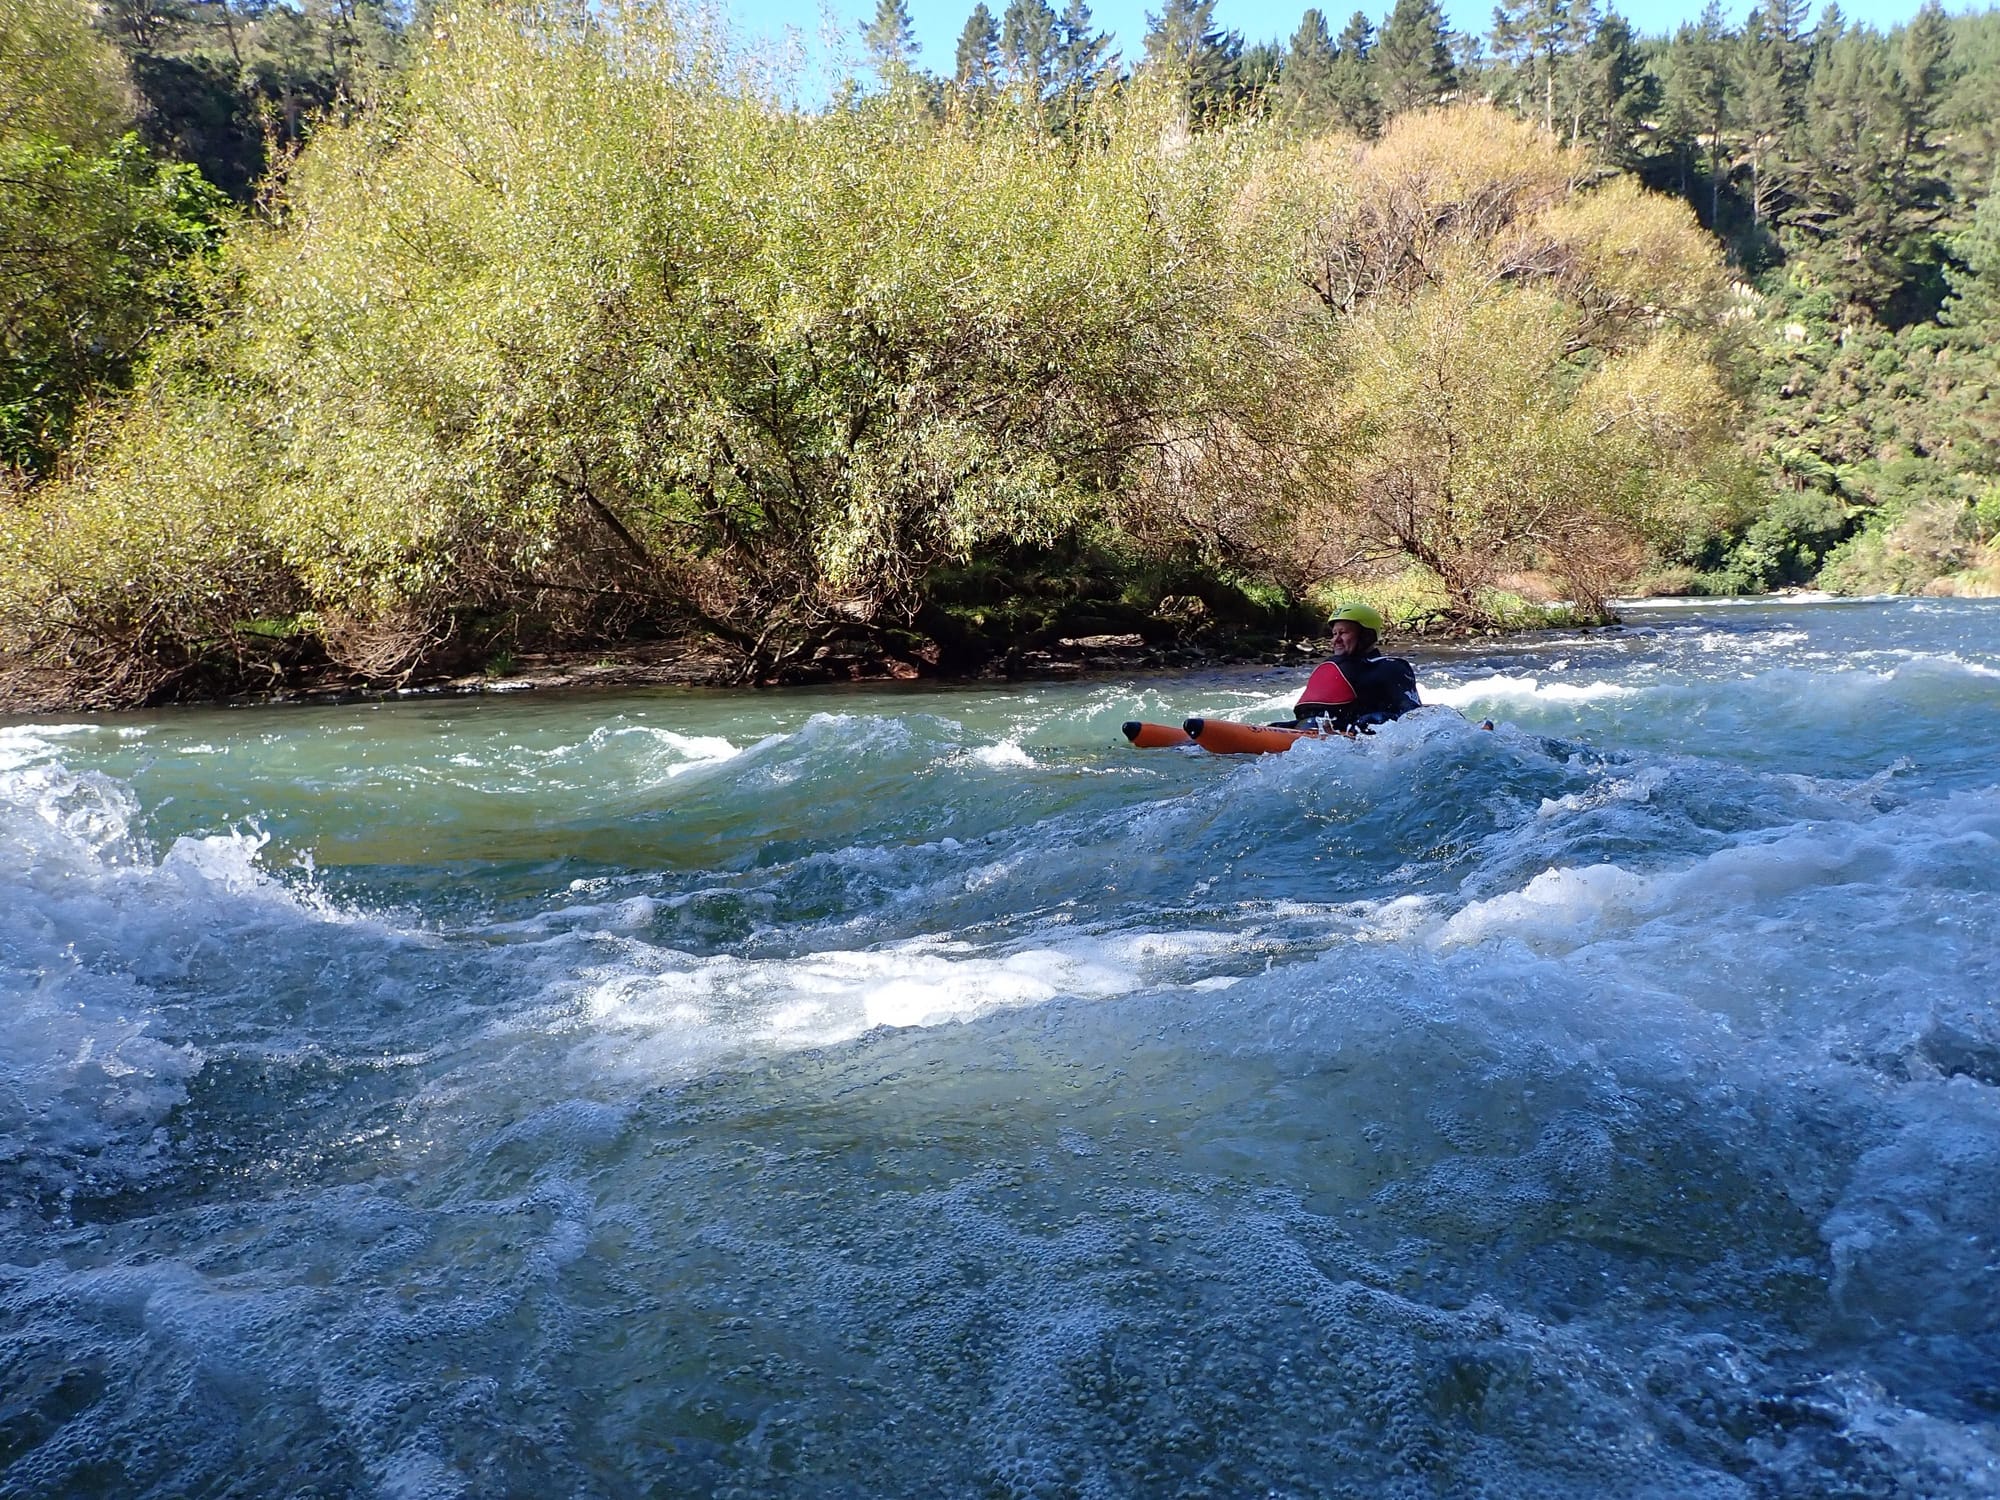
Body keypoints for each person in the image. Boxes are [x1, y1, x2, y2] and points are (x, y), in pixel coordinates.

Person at [1280, 603, 1421, 733]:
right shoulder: (1334, 667)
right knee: (1297, 724)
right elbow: (1321, 715)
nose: (1336, 640)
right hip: (1326, 729)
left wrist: (1380, 719)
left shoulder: (1391, 667)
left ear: (1366, 635)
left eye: (1343, 633)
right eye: (1334, 634)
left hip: (1368, 733)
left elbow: (1412, 715)